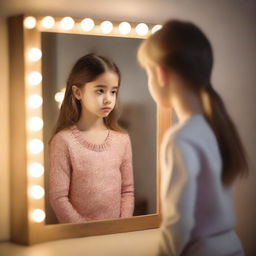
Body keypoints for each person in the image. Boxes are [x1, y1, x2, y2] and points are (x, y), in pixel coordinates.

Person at [137, 20, 248, 256]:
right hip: (232, 246)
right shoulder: (216, 127)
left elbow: (179, 222)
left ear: (160, 74)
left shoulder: (180, 138)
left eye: (148, 74)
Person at [48, 53, 135, 223]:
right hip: (78, 240)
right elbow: (58, 198)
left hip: (115, 236)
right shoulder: (63, 141)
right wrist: (85, 230)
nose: (108, 99)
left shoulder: (122, 139)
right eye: (100, 90)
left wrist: (122, 226)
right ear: (78, 92)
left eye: (113, 91)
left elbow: (127, 191)